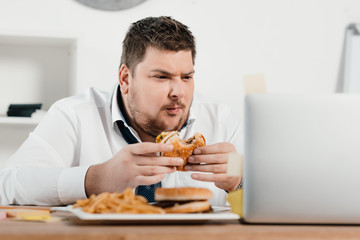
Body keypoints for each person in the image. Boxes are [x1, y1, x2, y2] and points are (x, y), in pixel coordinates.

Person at [0, 16, 242, 206]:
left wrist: (238, 181)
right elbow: (7, 185)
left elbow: (274, 198)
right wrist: (94, 179)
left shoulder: (221, 120)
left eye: (187, 77)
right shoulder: (74, 115)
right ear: (126, 78)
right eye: (161, 77)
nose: (178, 92)